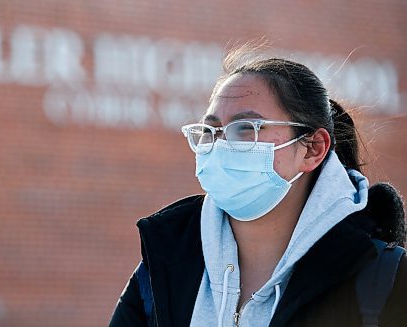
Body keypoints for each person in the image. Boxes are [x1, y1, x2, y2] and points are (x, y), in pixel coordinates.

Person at [109, 45, 406, 327]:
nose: (221, 145)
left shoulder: (384, 278)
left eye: (245, 128)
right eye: (211, 131)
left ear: (313, 148)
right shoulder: (164, 264)